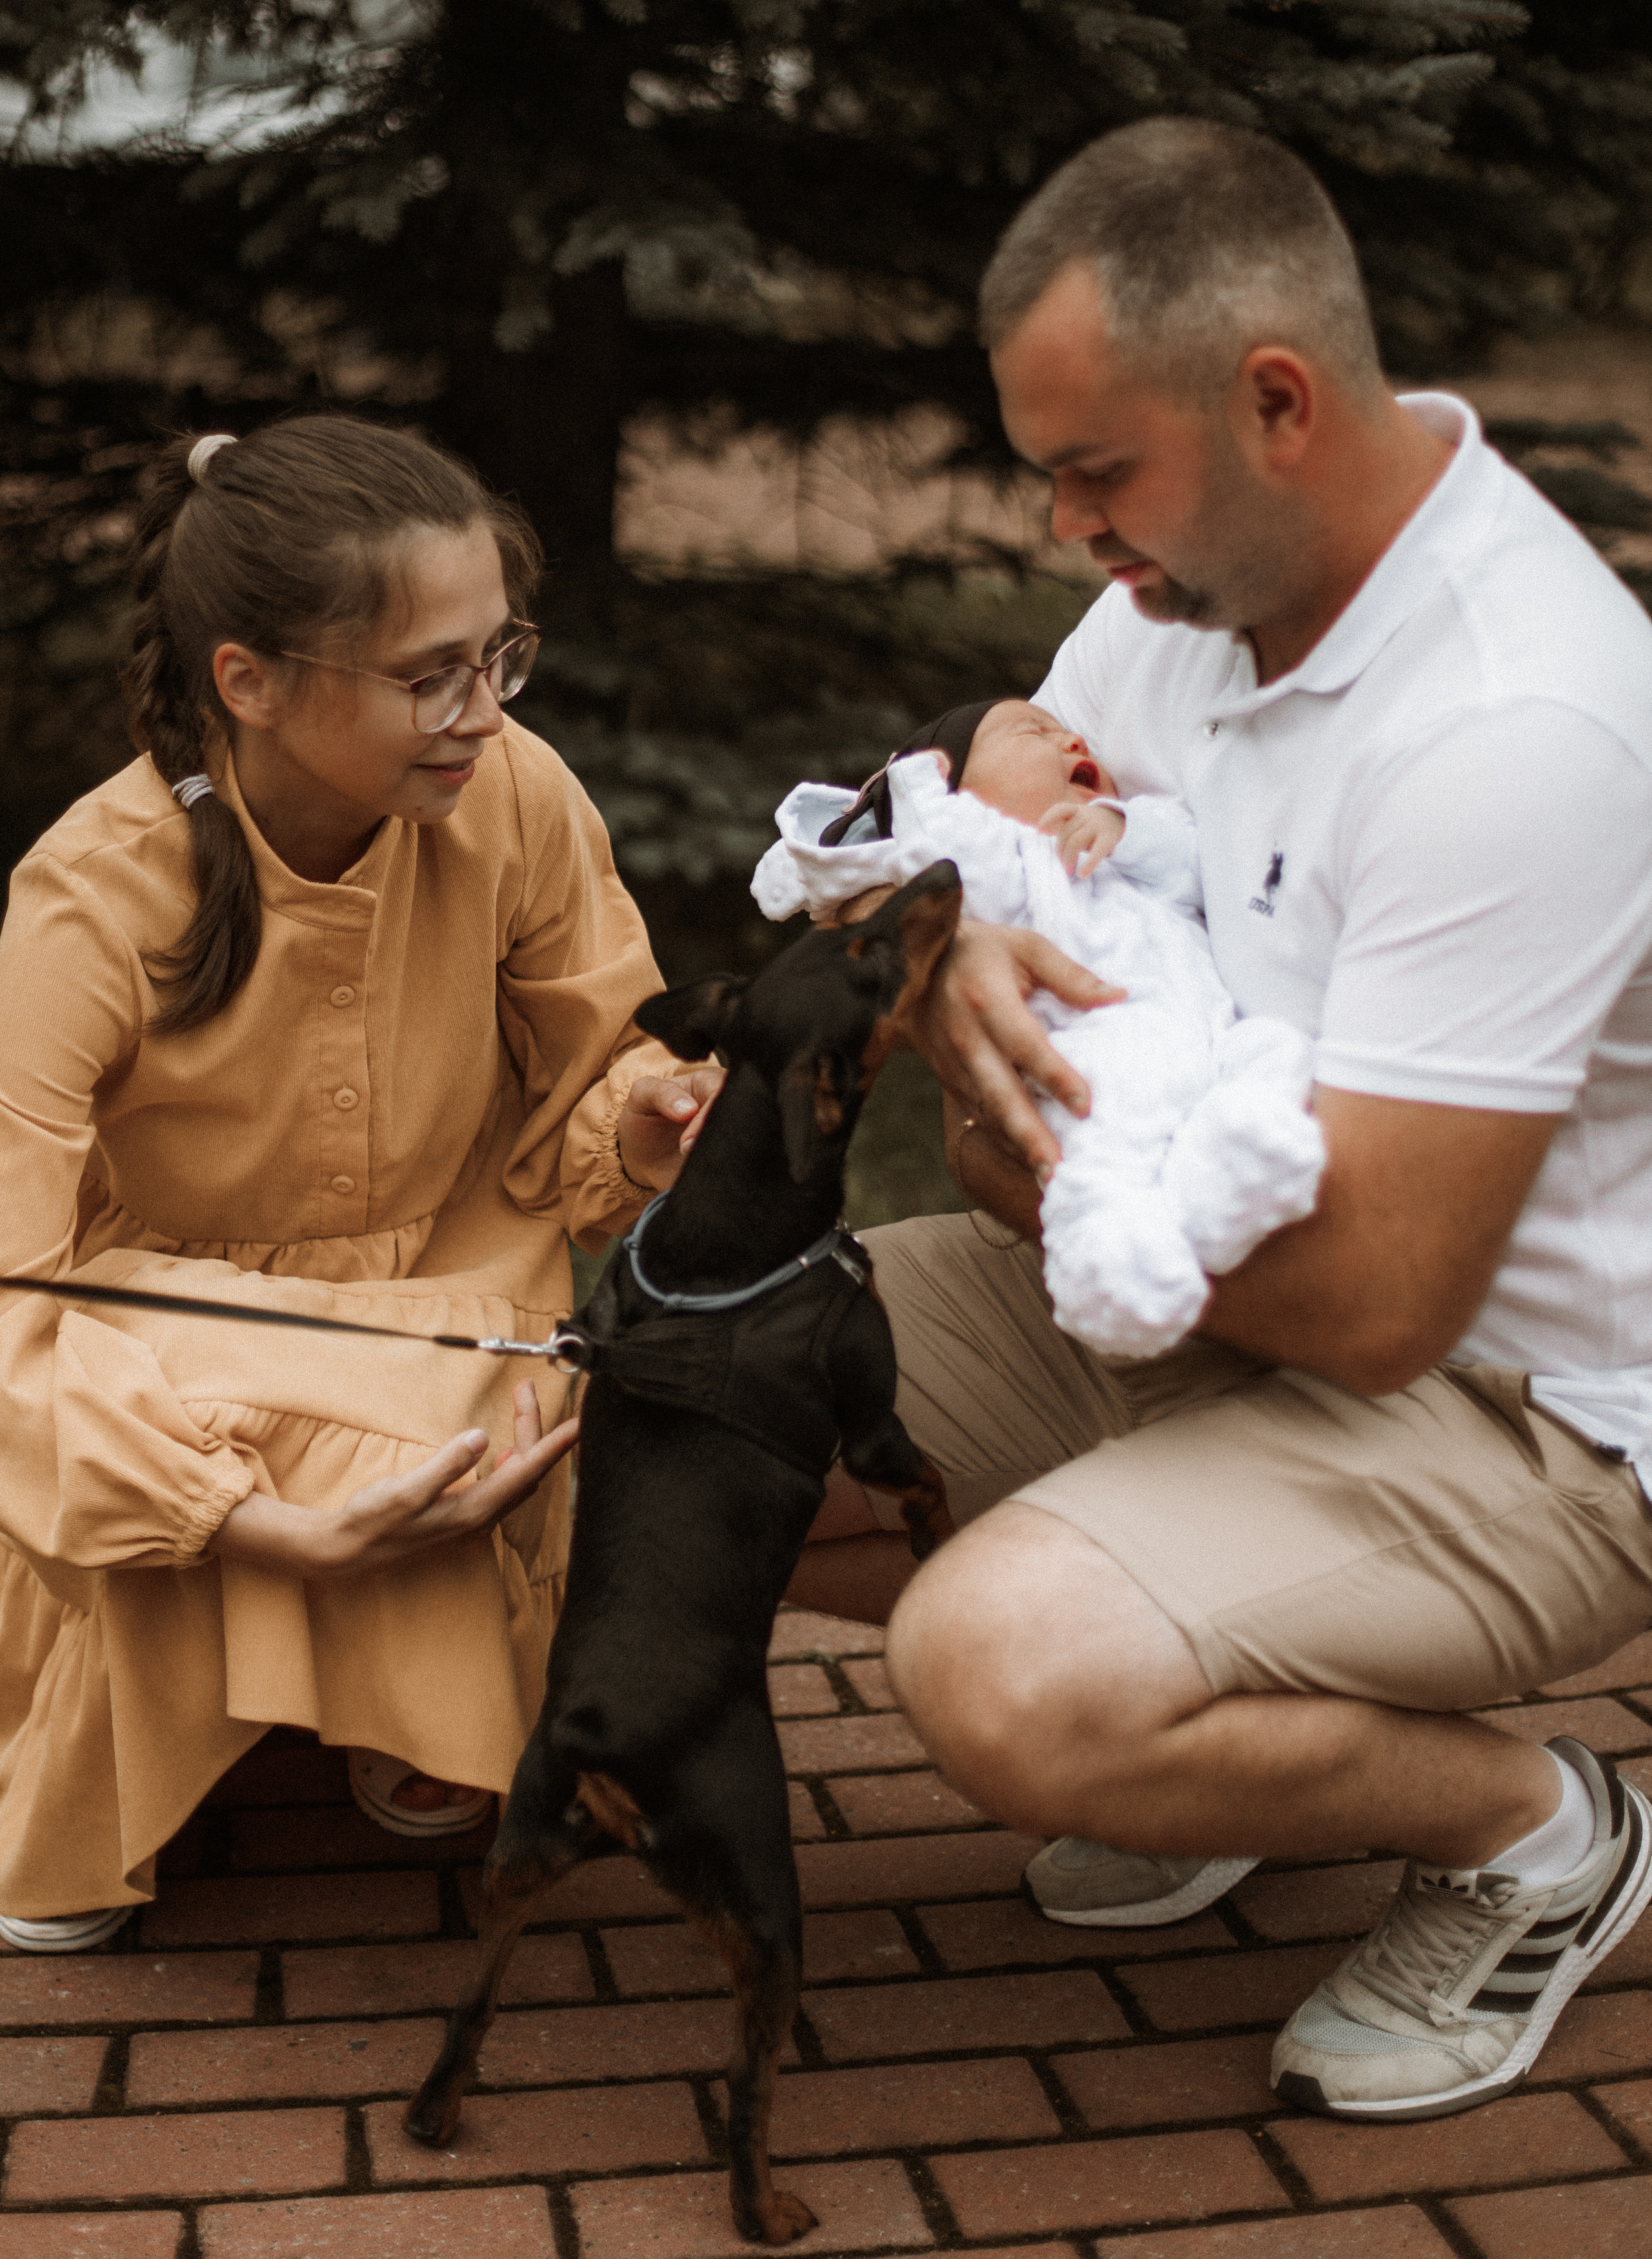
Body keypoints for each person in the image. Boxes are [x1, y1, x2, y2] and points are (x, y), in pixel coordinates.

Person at [790, 117, 1652, 2122]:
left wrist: (1007, 1157)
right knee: (674, 1397)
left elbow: (1372, 1306)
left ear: (1273, 402)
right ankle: (1216, 1715)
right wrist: (947, 956)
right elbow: (983, 869)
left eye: (1098, 475)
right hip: (1155, 1288)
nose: (1071, 534)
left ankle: (1541, 1833)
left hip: (1509, 1411)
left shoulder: (1520, 722)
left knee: (999, 1672)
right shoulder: (1169, 603)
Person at [0, 416, 710, 1952]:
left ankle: (390, 1693)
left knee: (488, 1401)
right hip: (169, 1326)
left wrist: (649, 1121)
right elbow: (12, 1292)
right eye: (428, 674)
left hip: (450, 1286)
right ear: (247, 680)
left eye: (496, 654)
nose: (480, 712)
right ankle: (97, 1780)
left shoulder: (512, 793)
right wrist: (233, 1517)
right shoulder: (91, 895)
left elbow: (599, 1067)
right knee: (405, 1413)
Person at [752, 698, 1324, 1358]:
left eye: (1067, 731)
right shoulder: (1007, 868)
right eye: (1035, 733)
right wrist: (922, 800)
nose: (1070, 738)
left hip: (1213, 1038)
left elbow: (1195, 858)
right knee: (1104, 1160)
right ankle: (1116, 1278)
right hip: (1096, 1064)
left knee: (1274, 1057)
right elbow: (948, 853)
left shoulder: (1126, 849)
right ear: (952, 791)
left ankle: (1233, 1180)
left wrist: (1122, 825)